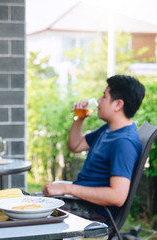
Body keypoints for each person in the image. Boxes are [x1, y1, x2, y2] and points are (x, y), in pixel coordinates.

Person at [42, 75, 145, 222]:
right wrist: (80, 118)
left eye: (104, 96)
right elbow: (75, 145)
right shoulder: (109, 130)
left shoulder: (123, 142)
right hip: (80, 204)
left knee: (26, 218)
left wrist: (67, 189)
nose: (99, 100)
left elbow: (117, 196)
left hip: (93, 214)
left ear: (118, 105)